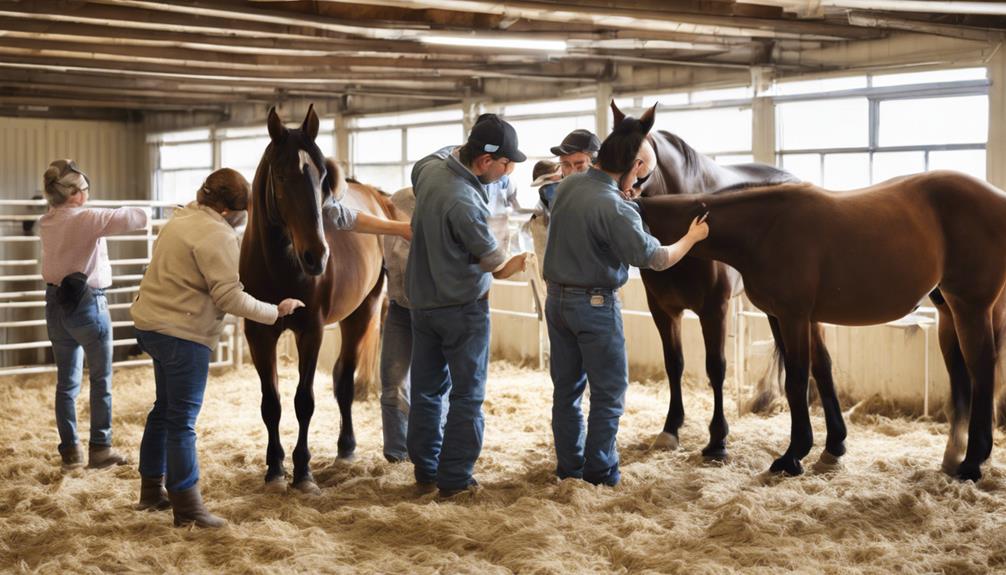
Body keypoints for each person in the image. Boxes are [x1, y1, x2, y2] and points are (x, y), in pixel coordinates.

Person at [130, 168, 304, 528]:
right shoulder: (218, 235)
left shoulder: (183, 218)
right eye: (244, 211)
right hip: (182, 333)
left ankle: (151, 492)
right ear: (229, 211)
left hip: (151, 325)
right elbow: (228, 295)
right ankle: (188, 508)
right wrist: (276, 311)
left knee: (163, 411)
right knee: (182, 422)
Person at [543, 122, 709, 487]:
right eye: (640, 173)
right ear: (634, 166)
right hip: (595, 304)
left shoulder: (566, 186)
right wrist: (692, 238)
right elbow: (657, 258)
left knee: (567, 391)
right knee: (608, 393)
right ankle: (599, 472)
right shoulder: (616, 208)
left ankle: (569, 468)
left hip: (556, 302)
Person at [405, 114, 530, 498]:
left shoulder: (428, 172)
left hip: (421, 304)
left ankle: (426, 470)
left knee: (426, 391)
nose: (507, 173)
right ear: (484, 161)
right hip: (461, 308)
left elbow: (436, 158)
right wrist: (523, 259)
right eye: (505, 165)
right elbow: (497, 265)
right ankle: (456, 479)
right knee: (467, 395)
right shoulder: (464, 203)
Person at [39, 159, 149, 471]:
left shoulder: (47, 221)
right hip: (88, 303)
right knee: (101, 380)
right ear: (74, 193)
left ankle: (70, 452)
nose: (88, 193)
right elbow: (133, 217)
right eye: (85, 188)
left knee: (66, 383)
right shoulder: (87, 218)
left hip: (55, 302)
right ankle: (100, 449)